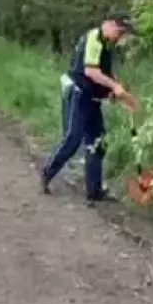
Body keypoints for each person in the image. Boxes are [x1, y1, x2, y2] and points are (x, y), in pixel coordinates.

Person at [40, 12, 140, 205]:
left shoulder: (107, 46)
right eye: (120, 32)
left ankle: (94, 190)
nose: (121, 37)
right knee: (73, 137)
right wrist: (115, 87)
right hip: (78, 94)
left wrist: (116, 94)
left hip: (93, 98)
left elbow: (103, 76)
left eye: (124, 34)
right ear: (110, 25)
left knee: (98, 141)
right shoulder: (94, 38)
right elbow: (91, 71)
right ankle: (47, 173)